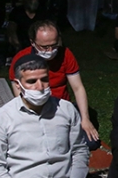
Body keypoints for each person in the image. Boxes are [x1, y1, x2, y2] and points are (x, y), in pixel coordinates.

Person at [9, 20, 100, 150]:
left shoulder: (66, 54)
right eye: (44, 47)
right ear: (32, 42)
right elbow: (19, 96)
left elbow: (78, 88)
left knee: (91, 142)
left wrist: (85, 119)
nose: (50, 50)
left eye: (54, 45)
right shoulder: (21, 59)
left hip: (62, 108)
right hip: (35, 111)